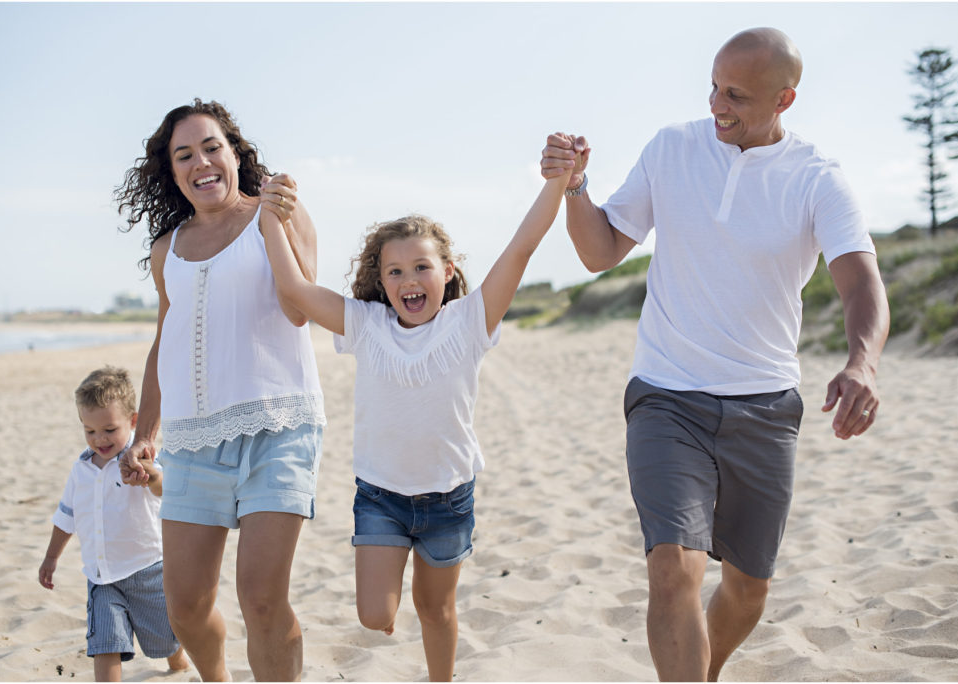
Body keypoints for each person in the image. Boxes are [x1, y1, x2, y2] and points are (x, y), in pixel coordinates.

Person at [541, 27, 890, 682]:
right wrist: (575, 186)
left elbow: (861, 284)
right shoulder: (672, 149)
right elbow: (599, 251)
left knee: (748, 589)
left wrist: (861, 362)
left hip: (766, 407)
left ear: (786, 98)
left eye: (736, 95)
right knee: (674, 568)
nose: (716, 105)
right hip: (666, 396)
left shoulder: (817, 179)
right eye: (712, 86)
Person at [256, 142, 574, 681]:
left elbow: (521, 248)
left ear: (447, 272)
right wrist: (270, 220)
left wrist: (558, 182)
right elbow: (295, 289)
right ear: (381, 283)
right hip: (380, 495)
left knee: (435, 608)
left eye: (421, 267)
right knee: (374, 614)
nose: (409, 281)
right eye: (395, 271)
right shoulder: (366, 326)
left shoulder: (469, 322)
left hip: (449, 496)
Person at [113, 99, 327, 682]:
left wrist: (281, 223)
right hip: (192, 442)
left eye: (212, 148)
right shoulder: (167, 250)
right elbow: (166, 343)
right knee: (184, 607)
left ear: (236, 154)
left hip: (277, 428)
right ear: (172, 172)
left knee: (260, 597)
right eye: (184, 155)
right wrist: (144, 435)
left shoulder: (276, 214)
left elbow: (299, 309)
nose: (201, 162)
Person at [38, 367, 189, 682]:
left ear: (133, 422)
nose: (99, 439)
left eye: (109, 429)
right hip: (101, 578)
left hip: (148, 571)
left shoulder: (140, 459)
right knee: (104, 645)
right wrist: (52, 557)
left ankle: (177, 658)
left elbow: (163, 487)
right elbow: (67, 517)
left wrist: (151, 476)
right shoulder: (81, 470)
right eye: (90, 431)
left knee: (165, 639)